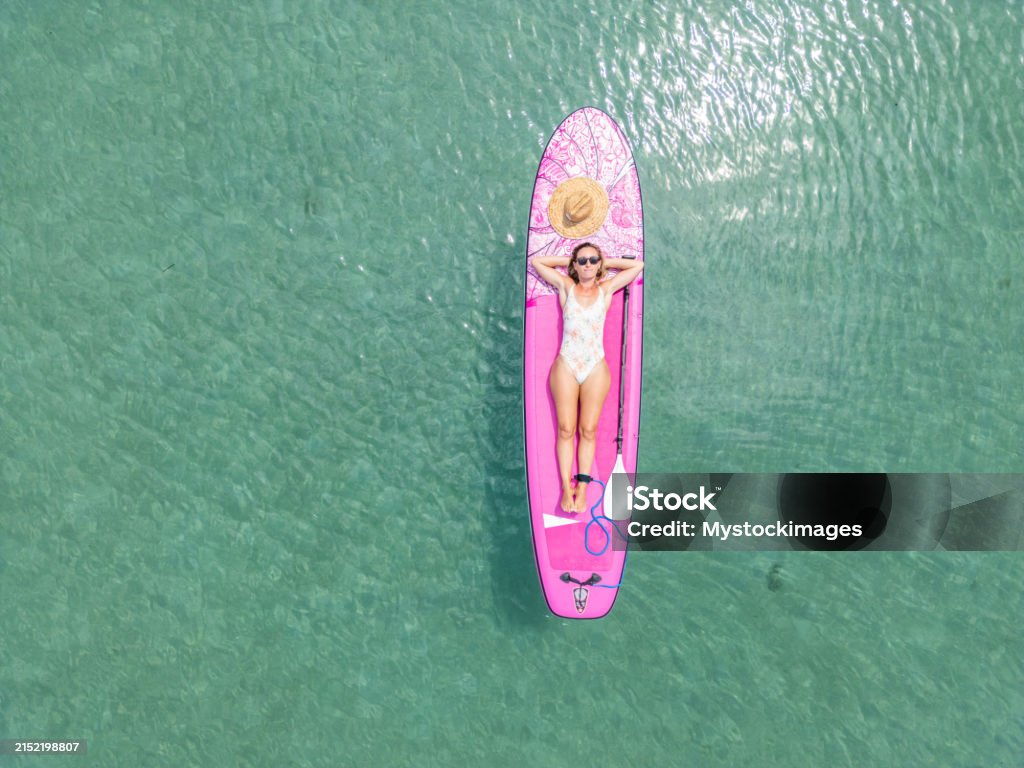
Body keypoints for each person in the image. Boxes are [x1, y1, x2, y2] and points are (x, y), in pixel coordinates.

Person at [531, 242, 644, 512]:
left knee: (588, 431)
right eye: (582, 261)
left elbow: (638, 266)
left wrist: (608, 261)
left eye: (593, 260)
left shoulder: (605, 289)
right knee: (566, 429)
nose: (588, 265)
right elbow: (538, 263)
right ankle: (565, 489)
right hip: (567, 364)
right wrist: (569, 260)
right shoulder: (566, 287)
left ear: (599, 263)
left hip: (595, 366)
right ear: (574, 265)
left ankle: (581, 488)